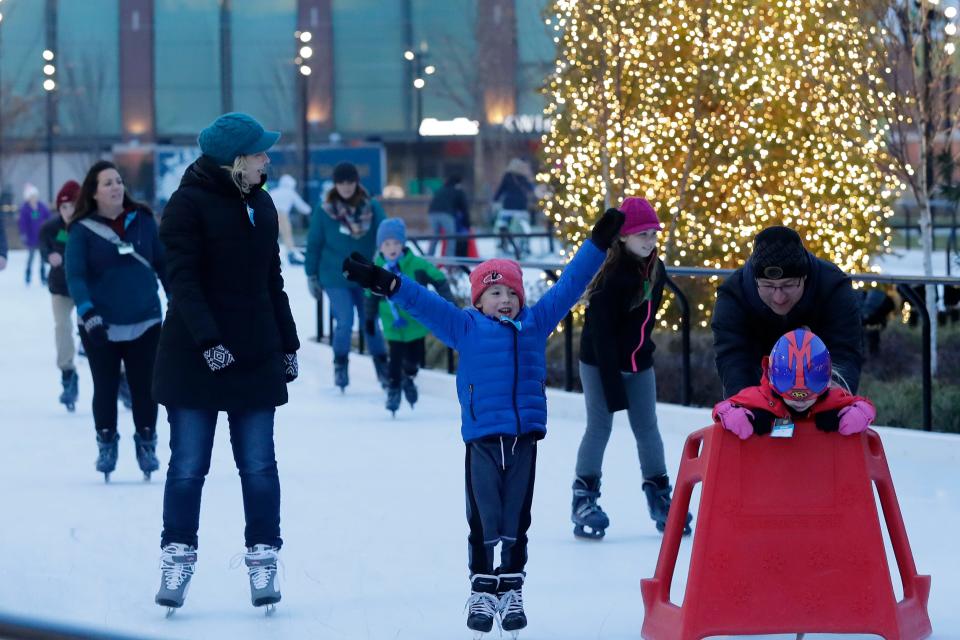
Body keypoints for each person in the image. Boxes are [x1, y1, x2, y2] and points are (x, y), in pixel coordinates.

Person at [342, 207, 625, 637]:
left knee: (517, 518)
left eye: (510, 292)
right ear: (477, 301)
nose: (505, 299)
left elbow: (570, 284)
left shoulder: (534, 324)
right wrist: (386, 282)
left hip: (524, 439)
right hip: (482, 440)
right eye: (494, 294)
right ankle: (481, 585)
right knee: (483, 517)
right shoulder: (465, 327)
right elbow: (424, 302)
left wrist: (599, 243)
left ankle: (511, 588)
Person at [152, 112, 299, 614]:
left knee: (258, 464)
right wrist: (210, 342)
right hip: (195, 356)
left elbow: (272, 281)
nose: (267, 159)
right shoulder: (185, 206)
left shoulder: (262, 204)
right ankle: (177, 556)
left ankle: (263, 556)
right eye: (260, 153)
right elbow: (182, 283)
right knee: (189, 466)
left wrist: (288, 344)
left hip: (255, 353)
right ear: (236, 161)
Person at [571, 197, 691, 540]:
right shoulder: (611, 279)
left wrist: (637, 360)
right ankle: (584, 498)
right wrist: (612, 385)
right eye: (642, 234)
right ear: (622, 237)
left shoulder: (657, 270)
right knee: (599, 427)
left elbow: (646, 322)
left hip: (640, 362)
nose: (650, 240)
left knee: (647, 428)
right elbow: (602, 336)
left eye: (653, 234)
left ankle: (660, 497)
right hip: (600, 363)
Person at [64, 161, 167, 482]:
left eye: (119, 181)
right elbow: (76, 276)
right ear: (93, 193)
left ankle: (147, 443)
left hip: (145, 319)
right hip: (101, 324)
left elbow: (163, 264)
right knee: (106, 387)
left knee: (144, 388)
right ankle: (106, 442)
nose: (116, 187)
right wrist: (87, 312)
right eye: (107, 183)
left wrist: (178, 298)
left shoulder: (144, 221)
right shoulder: (82, 230)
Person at [712, 225, 863, 399]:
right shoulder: (733, 295)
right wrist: (746, 402)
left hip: (819, 383)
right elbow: (733, 358)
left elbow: (844, 352)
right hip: (757, 383)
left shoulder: (833, 288)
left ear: (804, 277)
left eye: (789, 285)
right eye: (768, 286)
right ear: (755, 281)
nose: (779, 298)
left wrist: (834, 399)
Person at [304, 161, 389, 391]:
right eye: (341, 182)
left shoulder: (371, 207)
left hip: (365, 276)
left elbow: (384, 232)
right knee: (344, 322)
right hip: (334, 275)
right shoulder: (325, 210)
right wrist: (311, 274)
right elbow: (314, 244)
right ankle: (340, 364)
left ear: (356, 182)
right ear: (335, 184)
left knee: (370, 322)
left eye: (350, 181)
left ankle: (383, 367)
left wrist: (390, 256)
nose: (346, 187)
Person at [363, 218, 455, 415]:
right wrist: (370, 319)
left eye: (396, 243)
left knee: (414, 360)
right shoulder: (375, 269)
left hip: (416, 322)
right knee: (395, 358)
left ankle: (409, 378)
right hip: (392, 325)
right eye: (387, 244)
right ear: (380, 246)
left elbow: (438, 278)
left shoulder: (416, 264)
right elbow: (370, 296)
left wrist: (448, 301)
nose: (392, 248)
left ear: (403, 244)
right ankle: (393, 391)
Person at [714, 328, 876, 439]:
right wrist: (731, 415)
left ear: (824, 384)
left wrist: (859, 414)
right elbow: (724, 407)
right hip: (769, 474)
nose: (800, 401)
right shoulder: (759, 398)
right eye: (791, 394)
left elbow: (862, 405)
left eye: (808, 396)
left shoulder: (832, 400)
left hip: (816, 475)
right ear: (773, 382)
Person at [39, 180, 81, 411]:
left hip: (87, 288)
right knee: (62, 327)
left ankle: (121, 377)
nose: (68, 212)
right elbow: (44, 248)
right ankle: (68, 374)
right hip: (60, 288)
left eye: (73, 206)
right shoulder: (50, 228)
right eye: (64, 207)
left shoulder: (88, 225)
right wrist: (49, 257)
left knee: (98, 329)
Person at [493, 159, 534, 256]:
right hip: (521, 207)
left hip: (508, 206)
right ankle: (525, 246)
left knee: (503, 226)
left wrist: (495, 200)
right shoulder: (523, 177)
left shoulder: (507, 177)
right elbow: (531, 189)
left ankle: (504, 244)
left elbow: (501, 189)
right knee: (524, 227)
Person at [269, 173, 311, 265]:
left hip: (269, 214)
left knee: (271, 237)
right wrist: (310, 210)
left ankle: (270, 257)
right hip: (282, 215)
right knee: (287, 236)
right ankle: (290, 255)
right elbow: (301, 206)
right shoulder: (290, 192)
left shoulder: (274, 191)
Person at [427, 174, 470, 257]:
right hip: (446, 214)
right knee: (451, 237)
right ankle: (449, 260)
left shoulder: (441, 189)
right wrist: (467, 224)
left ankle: (429, 257)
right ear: (458, 183)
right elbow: (464, 208)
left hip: (432, 213)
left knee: (435, 236)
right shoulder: (457, 190)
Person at [18, 183, 52, 285]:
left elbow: (48, 217)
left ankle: (43, 276)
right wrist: (23, 233)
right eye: (32, 196)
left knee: (42, 258)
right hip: (31, 237)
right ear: (28, 197)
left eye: (35, 196)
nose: (34, 198)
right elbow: (22, 222)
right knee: (31, 257)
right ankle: (28, 274)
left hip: (41, 237)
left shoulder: (41, 206)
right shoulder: (25, 208)